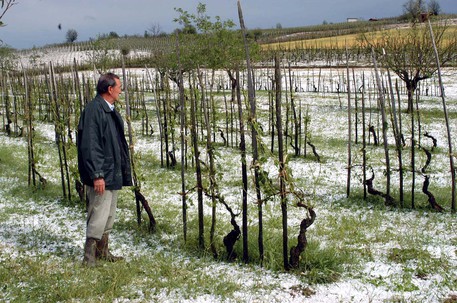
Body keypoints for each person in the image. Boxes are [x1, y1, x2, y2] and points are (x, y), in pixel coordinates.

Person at [77, 72, 132, 267]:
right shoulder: (94, 110)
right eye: (119, 87)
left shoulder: (109, 110)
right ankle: (89, 257)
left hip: (112, 171)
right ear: (110, 89)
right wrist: (97, 175)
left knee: (108, 214)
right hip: (102, 173)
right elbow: (91, 146)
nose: (121, 90)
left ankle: (103, 251)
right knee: (98, 212)